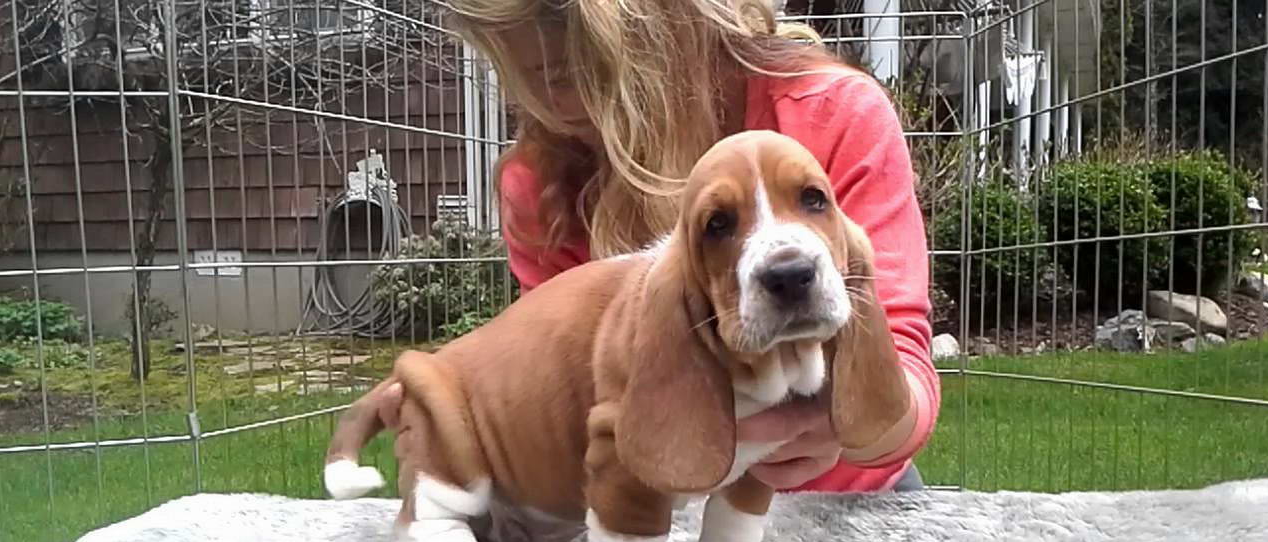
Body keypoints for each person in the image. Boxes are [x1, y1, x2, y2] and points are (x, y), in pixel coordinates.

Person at [376, 0, 939, 493]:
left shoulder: (831, 112)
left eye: (569, 73)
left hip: (844, 504)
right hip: (656, 510)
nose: (546, 105)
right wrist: (460, 394)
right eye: (521, 78)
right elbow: (560, 387)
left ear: (670, 25)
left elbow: (904, 366)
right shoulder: (542, 185)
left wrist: (837, 429)